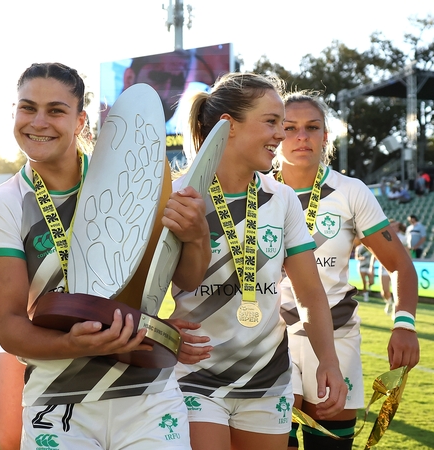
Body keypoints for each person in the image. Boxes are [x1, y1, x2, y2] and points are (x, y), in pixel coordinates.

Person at [0, 62, 212, 449]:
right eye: (27, 108)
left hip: (147, 397)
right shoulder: (2, 205)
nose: (39, 121)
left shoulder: (132, 177)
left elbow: (186, 279)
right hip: (58, 402)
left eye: (56, 110)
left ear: (80, 120)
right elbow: (9, 326)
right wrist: (76, 345)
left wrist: (197, 235)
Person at [168, 73, 347, 450]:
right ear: (228, 126)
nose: (281, 135)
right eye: (271, 122)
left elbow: (310, 292)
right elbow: (137, 292)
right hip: (195, 375)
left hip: (269, 380)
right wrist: (160, 329)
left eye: (281, 124)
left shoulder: (281, 199)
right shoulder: (176, 195)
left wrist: (327, 360)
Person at [274, 91, 420, 450]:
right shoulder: (256, 190)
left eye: (312, 127)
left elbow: (400, 264)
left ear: (326, 136)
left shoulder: (350, 191)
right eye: (289, 127)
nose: (301, 136)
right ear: (275, 133)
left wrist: (404, 323)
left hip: (337, 338)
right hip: (271, 340)